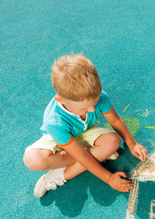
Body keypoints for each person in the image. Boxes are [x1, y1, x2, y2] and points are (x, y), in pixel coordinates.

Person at [24, 54, 147, 197]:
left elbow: (115, 120)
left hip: (83, 133)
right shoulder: (54, 122)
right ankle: (62, 175)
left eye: (94, 103)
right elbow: (82, 156)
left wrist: (132, 143)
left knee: (113, 141)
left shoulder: (98, 96)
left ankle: (94, 156)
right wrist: (108, 178)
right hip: (58, 139)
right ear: (60, 100)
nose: (92, 110)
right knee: (33, 160)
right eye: (85, 108)